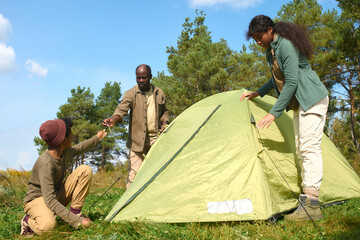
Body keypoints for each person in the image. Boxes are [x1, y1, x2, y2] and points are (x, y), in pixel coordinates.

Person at [240, 15, 329, 221]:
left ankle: (312, 206)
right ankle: (308, 203)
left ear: (270, 30)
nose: (257, 41)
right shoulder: (271, 50)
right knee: (301, 149)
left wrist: (274, 112)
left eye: (259, 36)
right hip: (301, 104)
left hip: (312, 99)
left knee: (309, 149)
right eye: (254, 38)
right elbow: (276, 79)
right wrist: (258, 92)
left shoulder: (286, 45)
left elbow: (291, 82)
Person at [21, 118, 107, 235]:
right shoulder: (45, 164)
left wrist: (98, 137)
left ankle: (75, 212)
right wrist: (78, 222)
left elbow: (80, 147)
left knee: (85, 170)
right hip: (37, 199)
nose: (73, 136)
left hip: (54, 195)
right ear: (63, 139)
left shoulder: (64, 152)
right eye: (71, 133)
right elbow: (49, 200)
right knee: (48, 227)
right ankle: (27, 221)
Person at [103, 64, 169, 188]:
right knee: (134, 177)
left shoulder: (159, 93)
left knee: (159, 173)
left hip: (156, 140)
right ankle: (130, 206)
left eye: (144, 78)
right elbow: (121, 110)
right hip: (136, 142)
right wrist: (113, 120)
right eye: (138, 78)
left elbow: (164, 112)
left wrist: (165, 122)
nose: (141, 81)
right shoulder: (130, 93)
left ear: (150, 77)